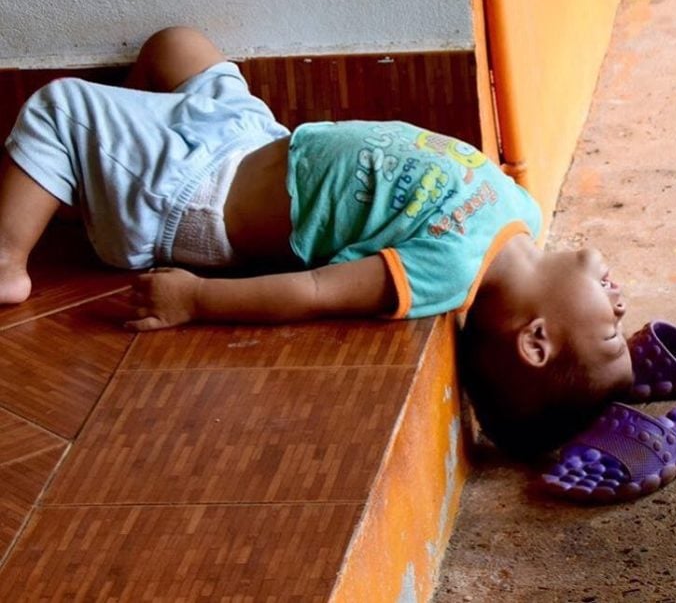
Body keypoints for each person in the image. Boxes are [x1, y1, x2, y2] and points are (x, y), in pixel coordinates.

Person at [0, 27, 633, 455]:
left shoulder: (446, 272)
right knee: (177, 45)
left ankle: (12, 253)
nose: (622, 307)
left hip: (195, 194)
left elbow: (314, 291)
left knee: (60, 109)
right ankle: (90, 182)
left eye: (610, 331)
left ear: (536, 341)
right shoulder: (518, 212)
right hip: (254, 140)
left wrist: (197, 301)